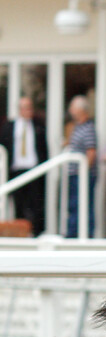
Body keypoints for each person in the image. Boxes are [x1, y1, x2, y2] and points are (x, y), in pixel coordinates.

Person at [0, 97, 49, 236]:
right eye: (25, 107)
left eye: (30, 107)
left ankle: (37, 233)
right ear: (20, 109)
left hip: (34, 170)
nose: (28, 110)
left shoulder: (38, 125)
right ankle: (20, 234)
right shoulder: (10, 126)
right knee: (19, 205)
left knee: (36, 204)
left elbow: (44, 149)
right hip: (16, 170)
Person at [66, 95, 97, 238]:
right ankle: (73, 232)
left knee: (83, 204)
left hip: (82, 175)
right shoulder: (77, 127)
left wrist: (83, 172)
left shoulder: (88, 128)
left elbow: (91, 152)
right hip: (74, 173)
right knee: (73, 205)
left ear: (80, 110)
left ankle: (84, 234)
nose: (70, 110)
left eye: (72, 107)